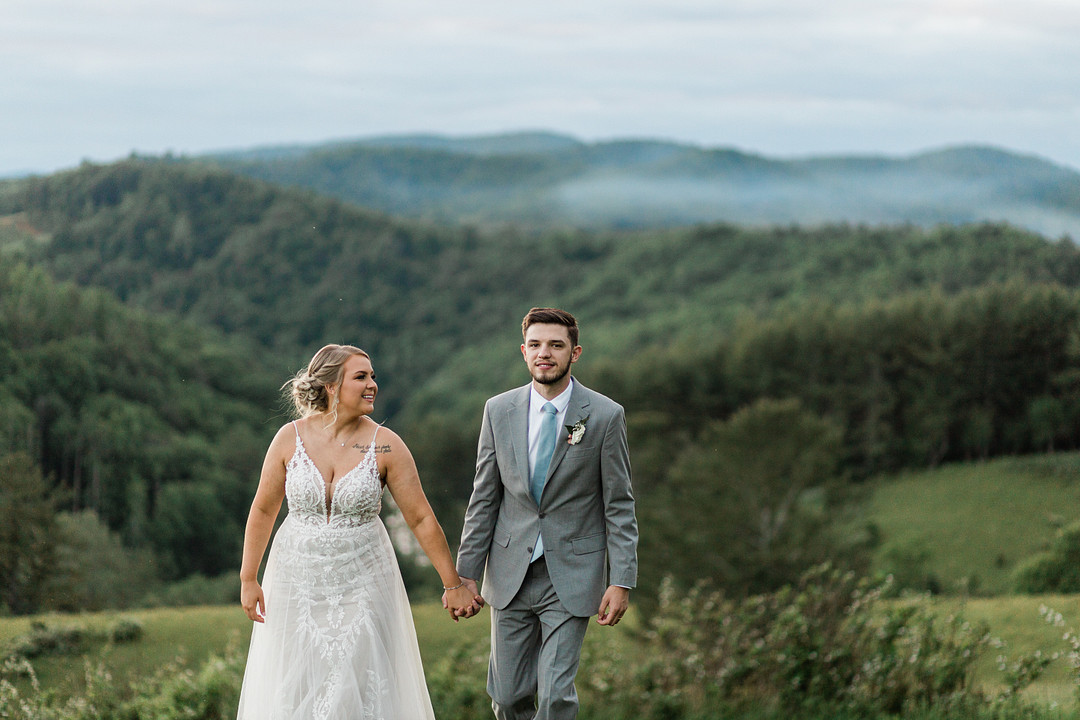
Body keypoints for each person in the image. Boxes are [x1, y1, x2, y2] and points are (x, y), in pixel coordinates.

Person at [236, 344, 480, 720]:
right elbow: (264, 509)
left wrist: (453, 584)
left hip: (362, 584)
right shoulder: (289, 438)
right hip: (295, 583)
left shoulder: (386, 444)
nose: (372, 385)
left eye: (373, 377)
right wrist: (248, 578)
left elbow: (420, 518)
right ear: (331, 386)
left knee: (355, 690)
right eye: (361, 377)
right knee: (293, 687)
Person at [450, 308, 639, 720]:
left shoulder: (605, 415)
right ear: (524, 351)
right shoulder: (498, 410)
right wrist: (464, 574)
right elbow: (484, 498)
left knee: (555, 697)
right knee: (507, 697)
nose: (544, 353)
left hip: (572, 573)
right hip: (509, 572)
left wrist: (621, 579)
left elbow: (619, 504)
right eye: (535, 345)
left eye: (556, 345)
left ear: (575, 353)